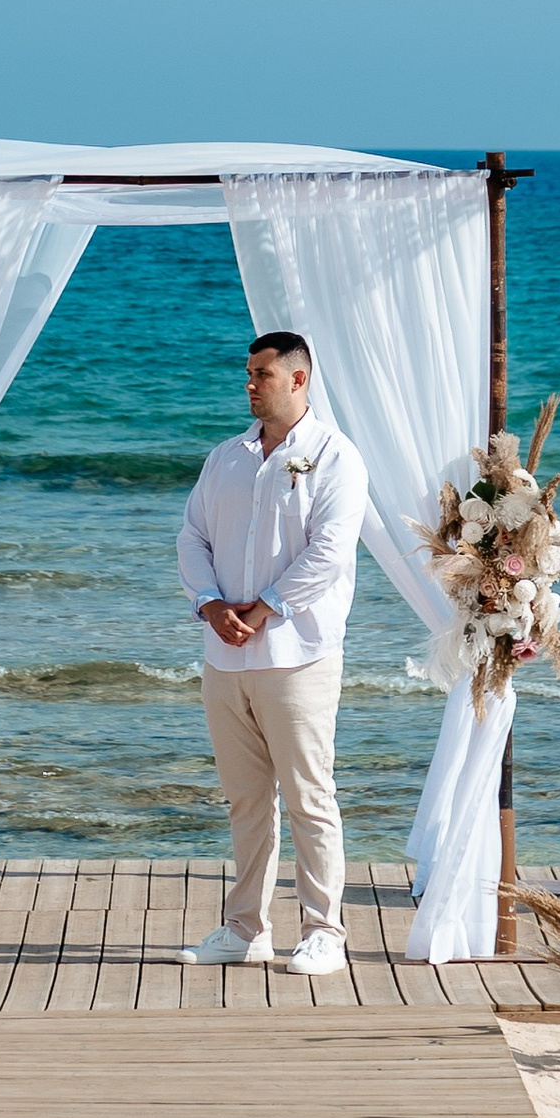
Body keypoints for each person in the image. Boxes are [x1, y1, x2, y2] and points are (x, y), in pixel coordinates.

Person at [175, 329, 366, 976]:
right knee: (245, 799)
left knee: (310, 795)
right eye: (248, 373)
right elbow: (192, 536)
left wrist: (263, 609)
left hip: (299, 656)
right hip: (225, 657)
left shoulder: (337, 457)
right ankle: (245, 929)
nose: (250, 384)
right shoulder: (226, 458)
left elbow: (331, 550)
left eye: (262, 374)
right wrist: (209, 603)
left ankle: (324, 932)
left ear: (298, 378)